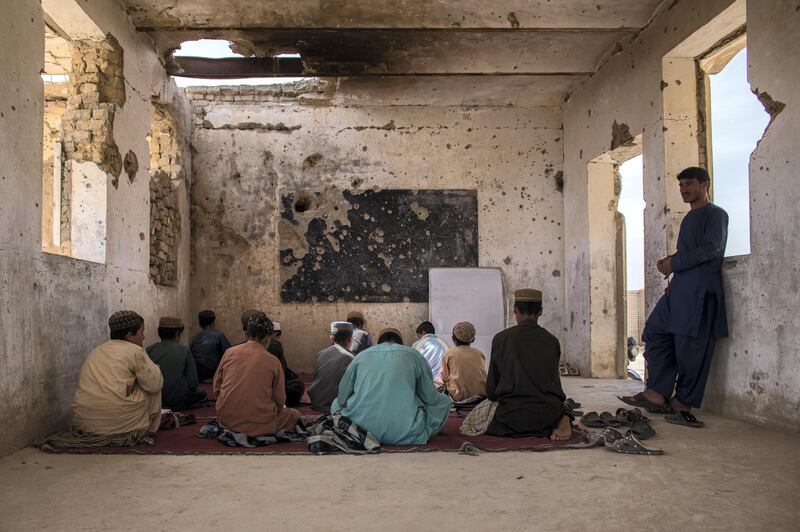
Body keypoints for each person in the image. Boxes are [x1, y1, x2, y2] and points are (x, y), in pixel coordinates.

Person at [620, 167, 728, 428]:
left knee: (692, 349)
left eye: (689, 184)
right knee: (655, 333)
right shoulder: (689, 218)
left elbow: (711, 249)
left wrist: (674, 263)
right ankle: (656, 393)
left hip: (700, 293)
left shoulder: (716, 215)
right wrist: (674, 275)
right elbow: (688, 255)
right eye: (681, 185)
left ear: (705, 185)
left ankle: (682, 403)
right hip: (679, 291)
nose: (684, 189)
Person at [331, 328, 451, 445]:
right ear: (401, 343)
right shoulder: (413, 355)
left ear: (379, 343)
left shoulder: (361, 356)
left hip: (361, 429)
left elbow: (342, 398)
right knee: (444, 402)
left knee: (335, 404)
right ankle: (418, 432)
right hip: (407, 431)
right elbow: (430, 397)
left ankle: (359, 433)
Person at [486, 289, 572, 441]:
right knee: (563, 405)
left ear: (515, 310)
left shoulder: (500, 339)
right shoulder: (552, 341)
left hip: (510, 419)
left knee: (479, 413)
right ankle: (564, 418)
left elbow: (491, 391)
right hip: (547, 418)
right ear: (540, 312)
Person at [71, 311, 163, 435]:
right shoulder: (135, 350)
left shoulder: (96, 350)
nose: (144, 337)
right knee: (155, 381)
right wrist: (155, 369)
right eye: (142, 332)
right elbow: (155, 385)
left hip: (83, 422)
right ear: (130, 335)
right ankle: (147, 431)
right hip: (121, 423)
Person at [214, 312, 301, 436]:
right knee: (294, 415)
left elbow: (216, 388)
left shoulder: (229, 353)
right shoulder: (272, 361)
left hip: (227, 420)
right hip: (261, 422)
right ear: (268, 337)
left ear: (246, 334)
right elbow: (280, 401)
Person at [146, 316, 208, 411]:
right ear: (177, 333)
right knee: (201, 393)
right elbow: (193, 383)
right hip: (177, 402)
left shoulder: (149, 349)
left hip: (154, 401)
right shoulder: (184, 350)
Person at [308, 321, 355, 413]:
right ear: (350, 339)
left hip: (316, 403)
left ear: (331, 338)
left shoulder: (321, 354)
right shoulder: (352, 358)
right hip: (336, 406)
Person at [437, 321, 487, 402]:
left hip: (458, 397)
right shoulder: (479, 353)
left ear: (453, 338)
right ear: (473, 339)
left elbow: (444, 378)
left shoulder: (450, 353)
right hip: (480, 396)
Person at [265, 320, 306, 407]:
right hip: (272, 392)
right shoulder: (276, 345)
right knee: (298, 385)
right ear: (275, 334)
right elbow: (281, 371)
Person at [189, 310, 231, 381]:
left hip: (198, 374)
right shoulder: (219, 335)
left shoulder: (195, 338)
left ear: (200, 324)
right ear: (213, 323)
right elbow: (229, 353)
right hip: (213, 373)